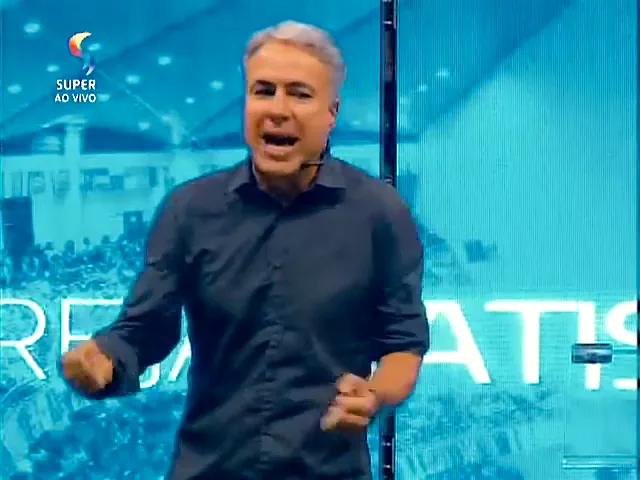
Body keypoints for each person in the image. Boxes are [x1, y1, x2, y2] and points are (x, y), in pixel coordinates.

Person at [61, 20, 429, 480]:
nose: (277, 109)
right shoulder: (189, 210)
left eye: (299, 94)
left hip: (328, 470)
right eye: (263, 91)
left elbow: (403, 344)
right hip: (209, 469)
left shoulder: (380, 213)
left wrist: (375, 395)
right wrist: (102, 360)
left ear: (331, 112)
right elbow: (145, 328)